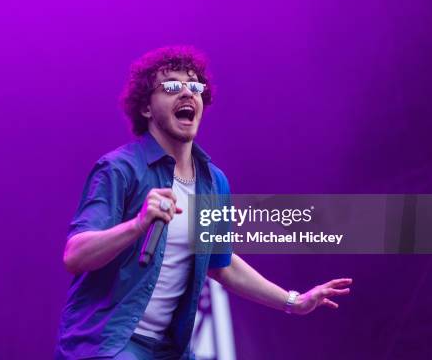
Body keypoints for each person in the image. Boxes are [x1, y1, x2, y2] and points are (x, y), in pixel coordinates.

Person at [55, 46, 352, 359]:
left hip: (170, 348)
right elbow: (75, 255)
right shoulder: (119, 170)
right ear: (146, 108)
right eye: (171, 86)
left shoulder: (213, 182)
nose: (186, 93)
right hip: (108, 343)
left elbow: (221, 264)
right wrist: (137, 224)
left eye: (194, 86)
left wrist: (293, 301)